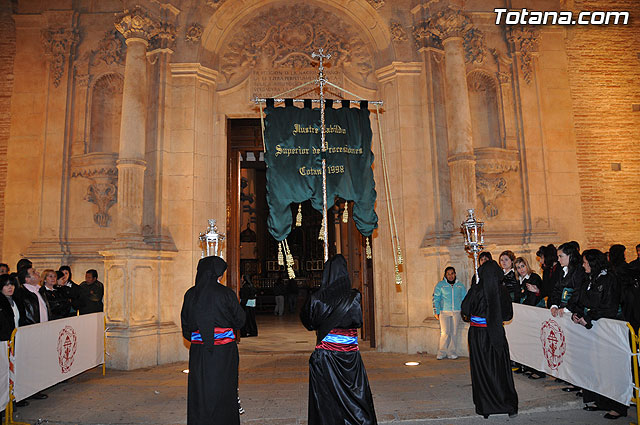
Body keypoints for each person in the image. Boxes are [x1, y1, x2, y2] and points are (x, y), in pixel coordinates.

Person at [300, 254, 377, 425]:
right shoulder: (354, 296)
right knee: (354, 395)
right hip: (349, 356)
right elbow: (358, 321)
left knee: (326, 398)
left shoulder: (317, 298)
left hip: (325, 356)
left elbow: (308, 322)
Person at [180, 256, 245, 425]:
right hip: (224, 352)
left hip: (199, 351)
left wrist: (200, 338)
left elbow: (186, 325)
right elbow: (240, 320)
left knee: (199, 389)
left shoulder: (190, 294)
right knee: (224, 387)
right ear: (217, 274)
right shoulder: (226, 293)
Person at [571, 249, 626, 420]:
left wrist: (588, 318)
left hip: (607, 329)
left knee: (610, 368)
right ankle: (599, 400)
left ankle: (616, 406)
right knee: (595, 366)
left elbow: (608, 306)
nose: (583, 265)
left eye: (586, 262)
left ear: (594, 263)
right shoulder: (590, 278)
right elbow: (580, 298)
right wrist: (577, 313)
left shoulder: (609, 279)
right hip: (591, 328)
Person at [461, 259, 518, 419]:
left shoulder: (476, 290)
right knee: (501, 369)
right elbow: (508, 315)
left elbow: (465, 309)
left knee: (482, 369)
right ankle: (509, 406)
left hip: (479, 335)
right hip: (497, 334)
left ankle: (486, 407)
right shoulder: (503, 291)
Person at [432, 266, 466, 360]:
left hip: (457, 312)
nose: (450, 276)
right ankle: (442, 352)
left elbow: (464, 299)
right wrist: (436, 311)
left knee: (454, 333)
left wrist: (464, 311)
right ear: (445, 275)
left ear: (455, 274)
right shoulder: (440, 285)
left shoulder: (460, 285)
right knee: (445, 333)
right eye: (448, 274)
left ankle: (452, 352)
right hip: (444, 312)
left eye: (452, 273)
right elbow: (436, 299)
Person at [549, 242, 585, 318]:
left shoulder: (579, 271)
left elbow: (578, 292)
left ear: (570, 255)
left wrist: (568, 308)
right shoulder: (563, 270)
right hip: (562, 308)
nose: (558, 260)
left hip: (573, 311)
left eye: (560, 256)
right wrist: (554, 305)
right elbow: (557, 289)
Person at [0, 274, 25, 341]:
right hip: (4, 340)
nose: (10, 287)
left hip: (18, 337)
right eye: (6, 285)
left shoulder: (17, 301)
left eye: (12, 285)